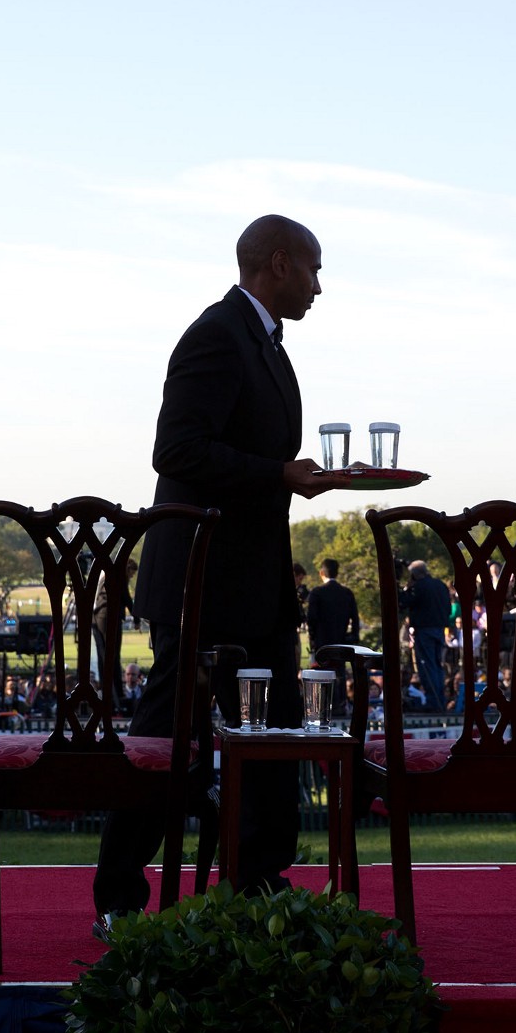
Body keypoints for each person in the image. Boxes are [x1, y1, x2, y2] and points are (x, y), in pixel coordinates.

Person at [96, 213, 334, 925]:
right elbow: (177, 451)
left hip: (253, 588)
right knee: (166, 744)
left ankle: (257, 882)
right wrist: (280, 474)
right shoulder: (216, 334)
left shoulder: (265, 345)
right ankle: (118, 895)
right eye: (316, 270)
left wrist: (288, 477)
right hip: (201, 587)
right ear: (280, 263)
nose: (321, 288)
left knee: (275, 736)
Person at [399, 559, 454, 714]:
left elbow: (402, 602)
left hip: (424, 630)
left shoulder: (419, 587)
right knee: (437, 666)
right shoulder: (440, 585)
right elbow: (448, 608)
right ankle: (440, 701)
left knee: (427, 667)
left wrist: (406, 589)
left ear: (415, 575)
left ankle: (433, 701)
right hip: (439, 630)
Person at [304, 557, 360, 656]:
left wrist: (313, 637)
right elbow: (355, 618)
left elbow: (311, 618)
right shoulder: (347, 593)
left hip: (321, 643)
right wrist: (353, 636)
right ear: (337, 573)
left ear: (321, 573)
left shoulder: (316, 593)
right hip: (341, 641)